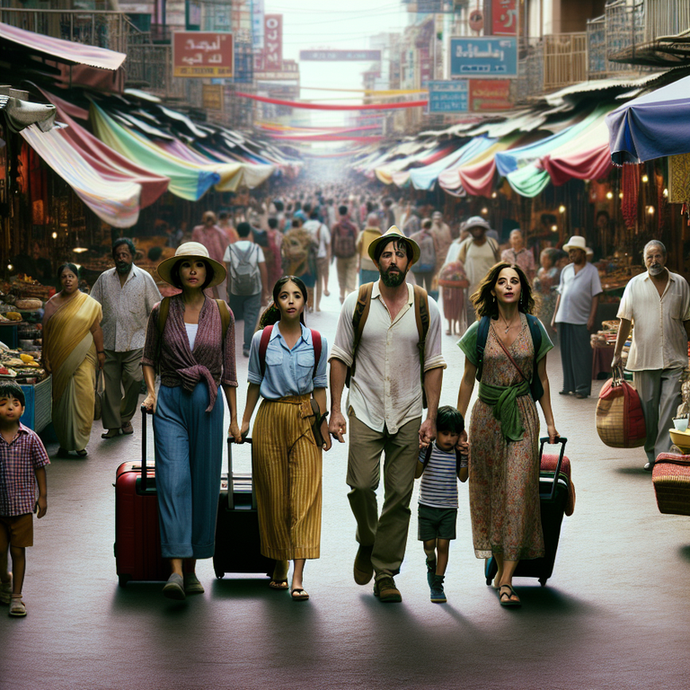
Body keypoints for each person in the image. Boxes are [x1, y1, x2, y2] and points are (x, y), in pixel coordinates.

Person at [329, 225, 445, 603]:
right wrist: (334, 410)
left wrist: (430, 415)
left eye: (399, 254)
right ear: (377, 260)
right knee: (362, 485)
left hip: (410, 409)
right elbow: (340, 357)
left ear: (410, 261)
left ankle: (385, 573)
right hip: (364, 406)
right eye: (386, 254)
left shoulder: (427, 306)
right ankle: (368, 537)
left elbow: (433, 362)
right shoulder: (357, 302)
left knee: (400, 495)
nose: (392, 260)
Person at [141, 242, 240, 600]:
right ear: (178, 273)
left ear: (208, 273)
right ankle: (176, 571)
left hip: (210, 406)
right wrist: (151, 393)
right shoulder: (162, 309)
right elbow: (148, 358)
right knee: (174, 480)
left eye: (200, 265)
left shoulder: (223, 312)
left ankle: (195, 566)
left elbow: (229, 371)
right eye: (187, 265)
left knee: (203, 485)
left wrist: (236, 418)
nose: (193, 270)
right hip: (170, 400)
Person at [457, 262, 559, 608]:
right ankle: (502, 568)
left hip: (523, 415)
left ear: (522, 288)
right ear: (493, 289)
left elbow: (542, 380)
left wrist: (550, 422)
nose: (509, 285)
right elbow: (468, 379)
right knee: (489, 494)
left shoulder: (535, 327)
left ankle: (506, 579)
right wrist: (457, 425)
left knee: (518, 491)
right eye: (502, 281)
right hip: (485, 418)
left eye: (515, 281)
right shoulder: (479, 330)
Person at [240, 276, 330, 601]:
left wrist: (323, 424)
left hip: (306, 416)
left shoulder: (317, 341)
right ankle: (278, 558)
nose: (291, 301)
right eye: (284, 296)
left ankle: (298, 573)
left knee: (306, 494)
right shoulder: (261, 340)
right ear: (276, 302)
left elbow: (321, 386)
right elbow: (253, 383)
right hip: (270, 417)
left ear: (305, 301)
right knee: (273, 493)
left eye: (297, 296)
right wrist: (244, 420)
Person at [612, 240, 690, 471]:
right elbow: (625, 320)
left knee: (669, 407)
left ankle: (662, 457)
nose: (654, 261)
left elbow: (687, 319)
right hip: (644, 358)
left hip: (675, 357)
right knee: (648, 411)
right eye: (649, 257)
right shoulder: (634, 285)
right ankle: (651, 453)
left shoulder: (681, 284)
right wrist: (617, 354)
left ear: (665, 258)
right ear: (644, 260)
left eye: (657, 256)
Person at [90, 238, 162, 439]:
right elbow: (92, 306)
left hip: (137, 341)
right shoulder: (104, 279)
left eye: (125, 254)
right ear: (113, 257)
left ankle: (124, 416)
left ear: (132, 256)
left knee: (135, 379)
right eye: (118, 255)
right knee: (110, 386)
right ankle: (113, 426)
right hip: (109, 342)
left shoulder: (144, 278)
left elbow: (156, 309)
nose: (121, 258)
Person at [42, 263, 105, 457]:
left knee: (84, 395)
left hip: (85, 355)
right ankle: (64, 443)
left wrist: (101, 352)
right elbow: (46, 332)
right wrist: (45, 356)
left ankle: (80, 443)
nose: (68, 280)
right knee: (61, 400)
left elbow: (95, 329)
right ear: (59, 280)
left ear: (78, 279)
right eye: (64, 277)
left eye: (71, 276)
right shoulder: (52, 304)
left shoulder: (89, 303)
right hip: (59, 356)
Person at [0, 382, 49, 617]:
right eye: (3, 403)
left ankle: (17, 597)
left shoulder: (31, 438)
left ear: (23, 409)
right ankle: (4, 581)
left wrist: (43, 497)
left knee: (18, 552)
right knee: (0, 550)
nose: (9, 407)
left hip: (21, 508)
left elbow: (40, 468)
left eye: (15, 404)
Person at [415, 405, 467, 604]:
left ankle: (437, 584)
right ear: (436, 431)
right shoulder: (429, 450)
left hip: (448, 508)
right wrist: (421, 452)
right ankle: (430, 562)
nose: (449, 439)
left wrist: (465, 457)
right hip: (427, 506)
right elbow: (416, 474)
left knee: (443, 545)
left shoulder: (457, 452)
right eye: (445, 433)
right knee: (429, 545)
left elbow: (463, 478)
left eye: (454, 434)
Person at [551, 235, 602, 399]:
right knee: (566, 353)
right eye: (570, 252)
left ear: (582, 253)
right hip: (563, 317)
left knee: (582, 354)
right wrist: (554, 315)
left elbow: (596, 295)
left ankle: (582, 388)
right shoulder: (566, 270)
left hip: (581, 317)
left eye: (574, 252)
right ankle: (569, 386)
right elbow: (560, 294)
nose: (571, 255)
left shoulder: (592, 271)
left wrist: (592, 317)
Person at [224, 222, 268, 358]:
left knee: (232, 317)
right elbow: (263, 270)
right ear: (249, 233)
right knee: (251, 317)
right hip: (253, 289)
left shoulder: (230, 249)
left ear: (237, 232)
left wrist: (228, 289)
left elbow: (227, 271)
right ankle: (247, 346)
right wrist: (265, 290)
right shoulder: (256, 249)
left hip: (235, 290)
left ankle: (226, 347)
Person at [456, 217, 500, 326]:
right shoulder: (467, 244)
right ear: (470, 231)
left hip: (490, 289)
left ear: (484, 229)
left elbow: (500, 263)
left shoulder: (492, 243)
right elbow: (459, 262)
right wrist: (461, 276)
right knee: (472, 322)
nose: (476, 230)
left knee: (489, 319)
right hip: (471, 289)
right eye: (473, 229)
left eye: (479, 228)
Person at [191, 211, 229, 299]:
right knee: (206, 286)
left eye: (211, 219)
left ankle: (223, 308)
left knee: (220, 287)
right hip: (203, 262)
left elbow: (225, 245)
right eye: (207, 219)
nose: (209, 221)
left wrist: (225, 261)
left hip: (218, 262)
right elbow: (194, 244)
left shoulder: (218, 231)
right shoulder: (198, 230)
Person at [331, 204, 359, 304]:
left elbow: (332, 241)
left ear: (339, 213)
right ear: (347, 213)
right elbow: (357, 242)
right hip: (352, 256)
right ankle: (350, 300)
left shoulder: (336, 226)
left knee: (341, 277)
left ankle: (342, 297)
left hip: (340, 257)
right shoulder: (353, 226)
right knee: (351, 278)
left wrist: (331, 257)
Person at [304, 210, 331, 312]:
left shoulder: (305, 226)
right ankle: (317, 306)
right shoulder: (322, 227)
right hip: (320, 257)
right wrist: (328, 257)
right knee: (319, 281)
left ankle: (309, 304)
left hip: (308, 257)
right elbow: (328, 242)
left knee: (309, 281)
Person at [356, 213, 383, 286]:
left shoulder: (363, 234)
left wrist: (358, 264)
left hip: (364, 265)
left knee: (364, 289)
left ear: (368, 222)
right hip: (376, 267)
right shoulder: (381, 236)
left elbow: (358, 248)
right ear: (377, 222)